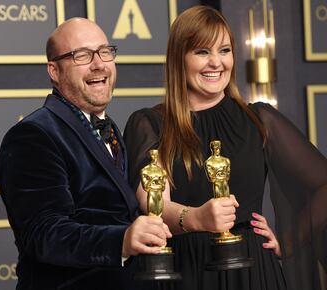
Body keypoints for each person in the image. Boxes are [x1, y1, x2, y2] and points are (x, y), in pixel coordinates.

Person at [124, 5, 327, 290]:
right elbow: (153, 202)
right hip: (187, 271)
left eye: (224, 50)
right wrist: (196, 218)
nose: (216, 63)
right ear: (178, 59)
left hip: (254, 272)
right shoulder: (151, 123)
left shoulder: (259, 119)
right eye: (202, 52)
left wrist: (288, 242)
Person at [0, 17, 171, 290]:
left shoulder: (108, 127)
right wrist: (121, 241)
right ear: (54, 71)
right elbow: (43, 234)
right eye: (82, 55)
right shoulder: (32, 135)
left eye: (105, 52)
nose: (99, 63)